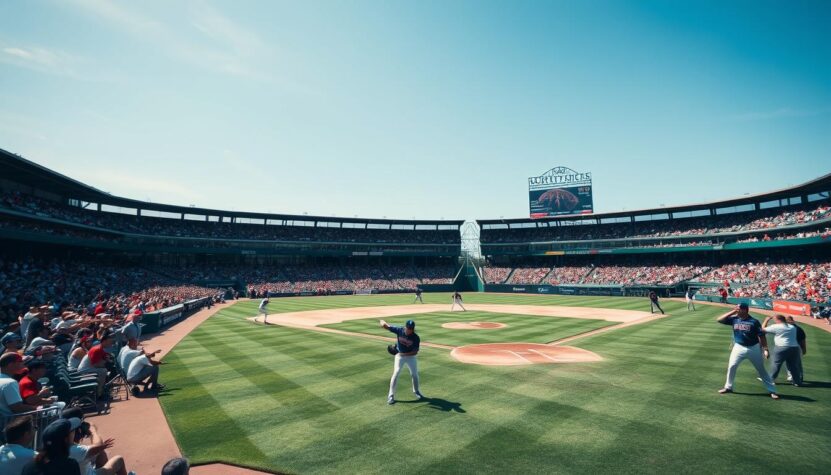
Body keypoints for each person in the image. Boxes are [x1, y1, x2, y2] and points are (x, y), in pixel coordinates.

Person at [716, 303, 779, 399]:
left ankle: (772, 391)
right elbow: (719, 319)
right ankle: (728, 387)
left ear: (745, 310)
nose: (737, 310)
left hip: (753, 348)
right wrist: (733, 311)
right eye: (736, 308)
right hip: (738, 347)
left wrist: (765, 349)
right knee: (732, 366)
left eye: (739, 308)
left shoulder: (754, 322)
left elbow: (761, 335)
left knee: (761, 369)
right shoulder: (734, 319)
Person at [62, 407, 131, 475]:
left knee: (100, 453)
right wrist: (93, 431)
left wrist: (99, 448)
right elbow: (98, 445)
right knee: (119, 460)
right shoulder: (74, 450)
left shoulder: (58, 448)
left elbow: (96, 449)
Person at [379, 319, 422, 405]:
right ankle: (391, 395)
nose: (410, 330)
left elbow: (415, 352)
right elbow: (386, 326)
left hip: (410, 357)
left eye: (411, 328)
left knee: (414, 374)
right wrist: (382, 321)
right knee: (396, 372)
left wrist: (403, 353)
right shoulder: (399, 330)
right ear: (405, 327)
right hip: (400, 356)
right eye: (409, 328)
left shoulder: (416, 338)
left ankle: (416, 391)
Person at [761, 315, 803, 387]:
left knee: (776, 364)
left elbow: (762, 330)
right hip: (794, 348)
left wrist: (766, 320)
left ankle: (771, 379)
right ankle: (797, 382)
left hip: (782, 347)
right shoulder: (792, 327)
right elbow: (790, 323)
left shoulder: (777, 326)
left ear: (778, 320)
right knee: (793, 366)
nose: (774, 321)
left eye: (775, 319)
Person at [0, 353, 38, 419]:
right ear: (10, 365)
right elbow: (17, 408)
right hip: (10, 425)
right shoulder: (10, 383)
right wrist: (38, 408)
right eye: (20, 362)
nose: (23, 365)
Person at [784, 316, 807, 384]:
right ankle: (791, 376)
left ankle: (799, 377)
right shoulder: (787, 328)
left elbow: (802, 340)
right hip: (788, 347)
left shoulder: (798, 329)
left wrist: (804, 349)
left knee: (797, 364)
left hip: (796, 348)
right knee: (789, 363)